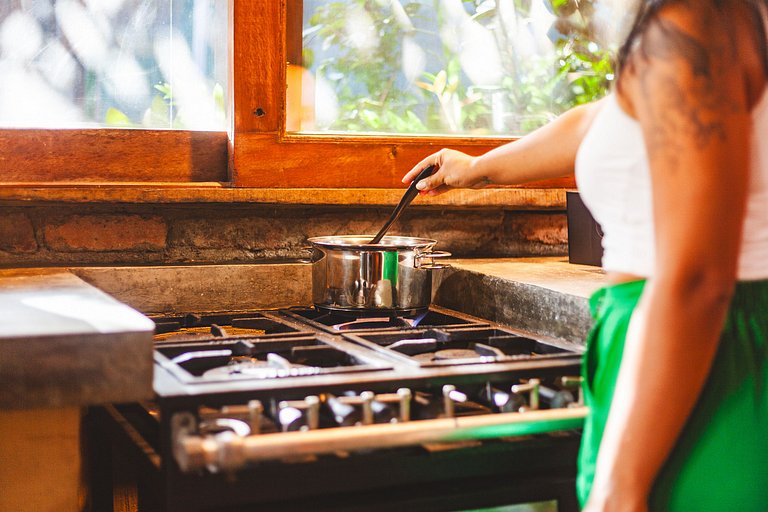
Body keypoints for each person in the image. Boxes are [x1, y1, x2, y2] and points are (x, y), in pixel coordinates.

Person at [403, 1, 768, 510]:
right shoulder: (712, 22)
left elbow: (697, 279)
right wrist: (477, 168)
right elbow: (605, 121)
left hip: (697, 354)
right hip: (678, 344)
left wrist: (620, 485)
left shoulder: (696, 18)